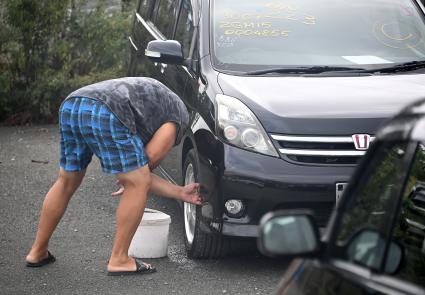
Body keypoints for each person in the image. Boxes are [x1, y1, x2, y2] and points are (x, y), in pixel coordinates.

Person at [25, 77, 202, 276]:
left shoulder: (155, 102)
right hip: (106, 109)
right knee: (137, 181)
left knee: (66, 181)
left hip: (73, 105)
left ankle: (37, 251)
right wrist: (132, 178)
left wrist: (178, 191)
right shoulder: (179, 116)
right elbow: (150, 158)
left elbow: (140, 169)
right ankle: (120, 259)